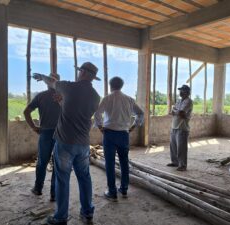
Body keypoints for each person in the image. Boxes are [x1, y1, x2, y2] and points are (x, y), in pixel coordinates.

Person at [33, 62, 101, 225]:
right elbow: (77, 112)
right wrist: (61, 103)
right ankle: (87, 213)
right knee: (84, 178)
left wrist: (41, 76)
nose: (78, 74)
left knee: (62, 179)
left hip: (65, 143)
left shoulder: (69, 87)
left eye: (80, 71)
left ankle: (61, 217)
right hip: (83, 144)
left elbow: (51, 82)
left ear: (83, 73)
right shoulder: (95, 96)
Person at [94, 76, 144, 201]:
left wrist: (100, 127)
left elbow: (97, 113)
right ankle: (124, 189)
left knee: (110, 163)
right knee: (124, 162)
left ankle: (112, 192)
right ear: (121, 86)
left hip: (109, 134)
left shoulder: (107, 98)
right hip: (123, 134)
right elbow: (140, 113)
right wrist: (134, 126)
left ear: (111, 85)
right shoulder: (129, 99)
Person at [23, 73, 61, 200]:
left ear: (46, 82)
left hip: (45, 133)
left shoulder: (41, 96)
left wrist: (34, 127)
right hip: (61, 134)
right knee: (58, 164)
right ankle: (54, 193)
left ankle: (38, 188)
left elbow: (26, 111)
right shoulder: (64, 97)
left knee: (42, 162)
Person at [167, 84, 193, 171]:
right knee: (173, 146)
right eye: (180, 90)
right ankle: (175, 162)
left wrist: (176, 111)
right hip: (174, 126)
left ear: (187, 92)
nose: (180, 92)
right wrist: (176, 111)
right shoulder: (179, 101)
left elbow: (181, 112)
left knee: (181, 148)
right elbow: (172, 111)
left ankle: (182, 165)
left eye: (182, 90)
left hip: (182, 127)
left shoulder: (188, 101)